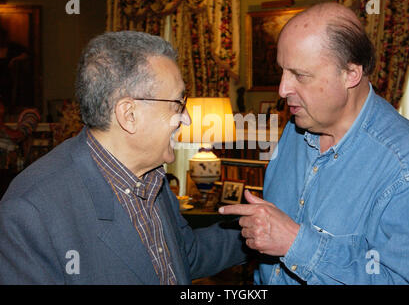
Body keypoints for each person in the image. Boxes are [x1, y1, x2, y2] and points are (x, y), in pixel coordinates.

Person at [219, 2, 409, 284]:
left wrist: (296, 243)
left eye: (300, 75)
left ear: (351, 74)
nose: (282, 89)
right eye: (282, 71)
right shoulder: (297, 125)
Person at [0, 31, 246, 284]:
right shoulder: (29, 211)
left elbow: (183, 257)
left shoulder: (150, 177)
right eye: (177, 104)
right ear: (129, 114)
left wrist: (253, 235)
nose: (186, 119)